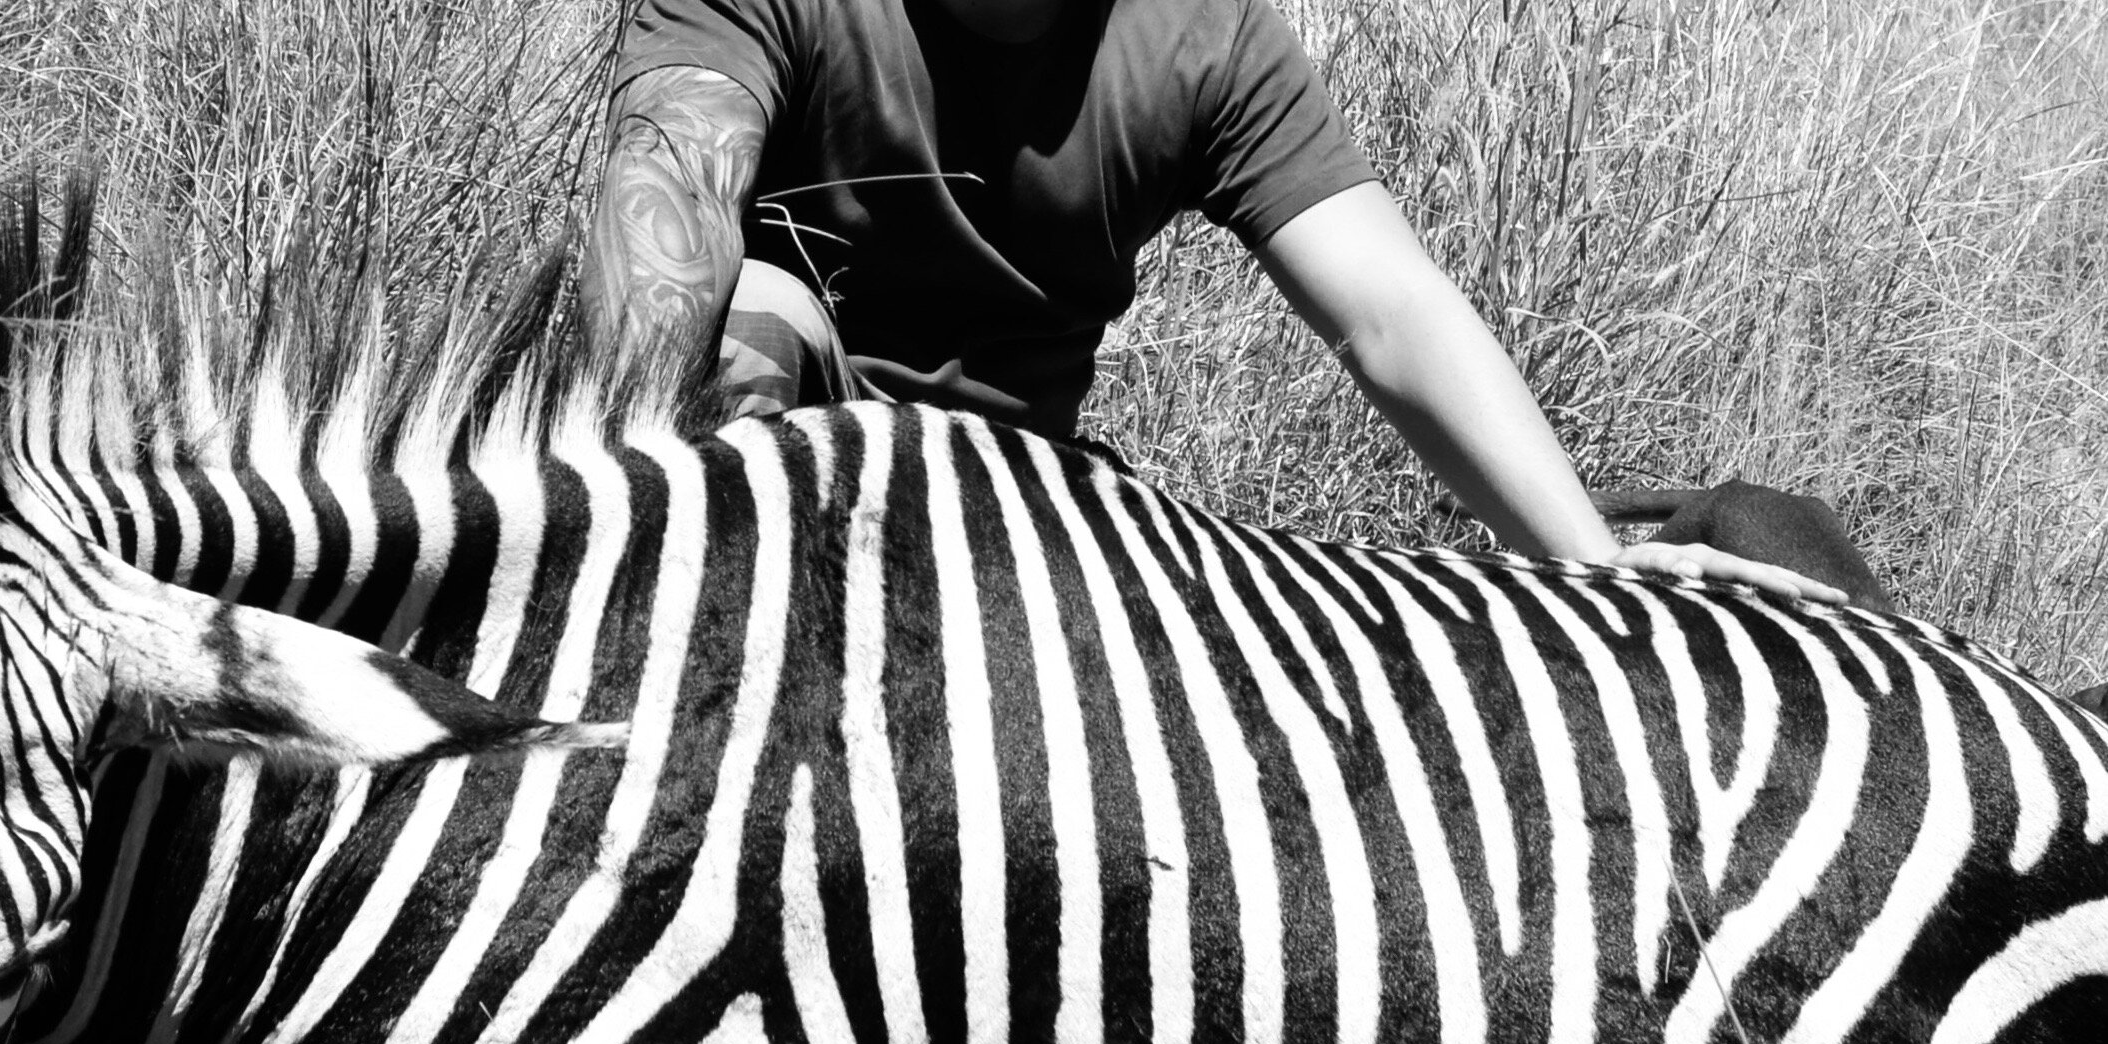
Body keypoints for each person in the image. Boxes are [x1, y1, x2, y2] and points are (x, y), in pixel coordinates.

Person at [575, 0, 1841, 602]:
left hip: (1017, 504)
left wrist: (1594, 572)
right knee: (750, 306)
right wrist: (604, 518)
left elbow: (1389, 310)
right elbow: (669, 198)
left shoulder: (1201, 35)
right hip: (765, 464)